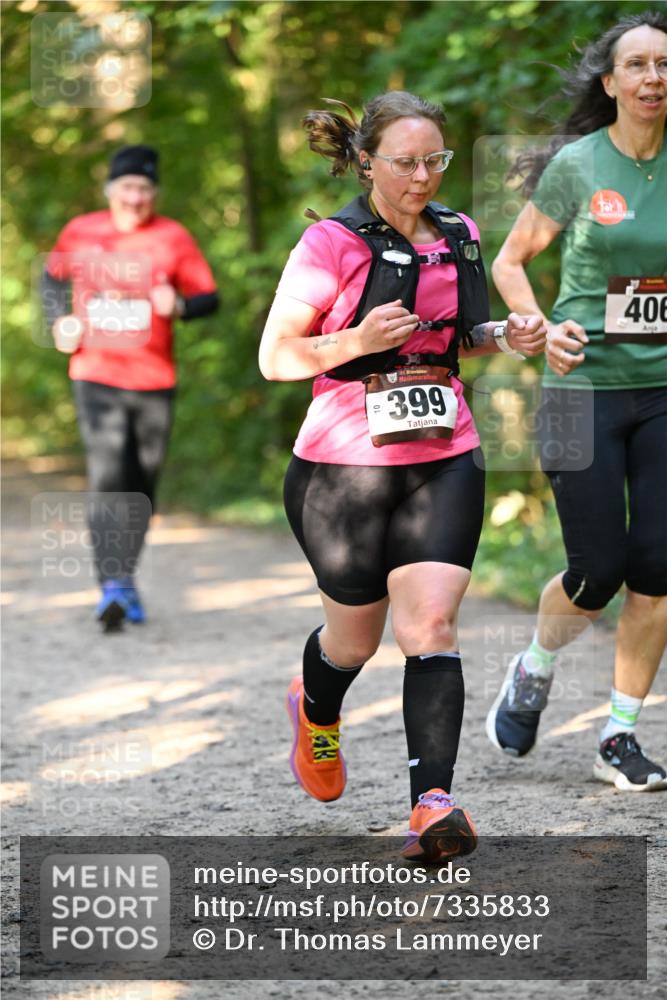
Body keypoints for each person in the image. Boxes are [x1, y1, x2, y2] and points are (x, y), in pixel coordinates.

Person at [259, 92, 546, 859]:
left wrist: (505, 334)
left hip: (442, 451)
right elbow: (277, 356)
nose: (423, 176)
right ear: (366, 162)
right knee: (353, 643)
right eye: (405, 162)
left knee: (431, 627)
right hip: (341, 470)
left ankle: (432, 803)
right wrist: (351, 340)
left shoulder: (459, 234)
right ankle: (316, 712)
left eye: (435, 161)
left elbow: (459, 338)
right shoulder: (330, 243)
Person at [486, 12, 667, 791]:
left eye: (664, 64)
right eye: (637, 65)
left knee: (657, 570)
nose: (653, 77)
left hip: (662, 389)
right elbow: (510, 261)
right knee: (597, 571)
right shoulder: (577, 166)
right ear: (610, 82)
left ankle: (617, 738)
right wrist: (540, 324)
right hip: (578, 387)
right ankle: (534, 664)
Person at [42, 145, 219, 630]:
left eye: (144, 188)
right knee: (107, 474)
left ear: (154, 193)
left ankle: (125, 575)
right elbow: (51, 278)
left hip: (155, 378)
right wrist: (59, 322)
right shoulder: (81, 231)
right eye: (127, 187)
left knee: (142, 484)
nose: (136, 197)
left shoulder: (173, 237)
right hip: (95, 373)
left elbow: (209, 298)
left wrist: (178, 306)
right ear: (110, 190)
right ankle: (112, 585)